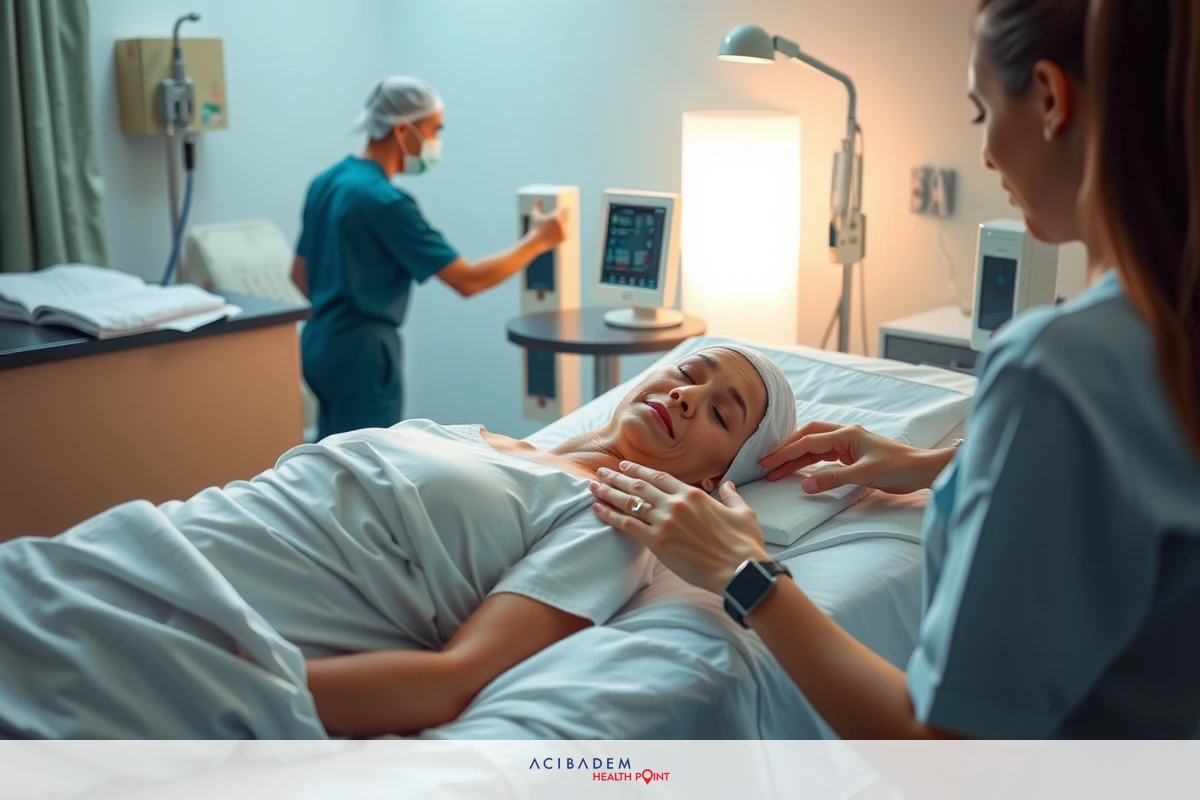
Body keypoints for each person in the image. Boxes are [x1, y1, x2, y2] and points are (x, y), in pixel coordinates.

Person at [592, 0, 1200, 738]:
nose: (984, 157)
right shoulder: (1152, 340)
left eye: (981, 114)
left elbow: (948, 756)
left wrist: (744, 572)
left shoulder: (1055, 369)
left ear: (1048, 97)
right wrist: (941, 465)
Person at [0, 345, 795, 739]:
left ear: (713, 478)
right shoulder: (484, 436)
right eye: (690, 374)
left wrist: (248, 686)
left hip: (188, 624)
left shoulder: (609, 521)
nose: (686, 397)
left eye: (722, 413)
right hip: (140, 545)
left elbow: (455, 680)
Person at [290, 76, 568, 440]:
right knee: (364, 465)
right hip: (363, 356)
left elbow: (298, 275)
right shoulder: (385, 202)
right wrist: (538, 240)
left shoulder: (327, 181)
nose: (436, 143)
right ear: (403, 131)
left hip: (318, 342)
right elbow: (467, 280)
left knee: (329, 456)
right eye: (434, 130)